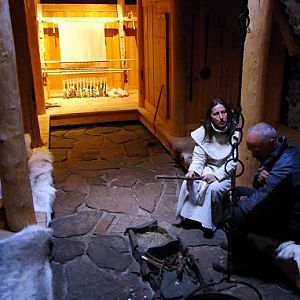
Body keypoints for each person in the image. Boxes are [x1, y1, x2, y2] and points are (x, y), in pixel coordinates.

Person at [214, 122, 300, 279]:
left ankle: (242, 262)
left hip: (290, 221)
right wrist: (258, 180)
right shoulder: (279, 151)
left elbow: (263, 198)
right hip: (279, 204)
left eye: (256, 148)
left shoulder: (286, 166)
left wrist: (243, 205)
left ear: (270, 142)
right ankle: (240, 245)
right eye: (250, 148)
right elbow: (262, 187)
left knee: (235, 214)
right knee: (236, 192)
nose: (252, 154)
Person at [175, 99, 237, 237]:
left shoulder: (235, 132)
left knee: (213, 189)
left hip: (226, 172)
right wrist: (193, 171)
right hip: (208, 168)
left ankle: (210, 223)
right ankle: (190, 217)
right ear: (210, 117)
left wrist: (217, 176)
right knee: (190, 181)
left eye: (223, 112)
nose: (221, 117)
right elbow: (199, 157)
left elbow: (234, 161)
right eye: (216, 114)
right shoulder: (204, 132)